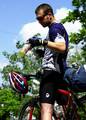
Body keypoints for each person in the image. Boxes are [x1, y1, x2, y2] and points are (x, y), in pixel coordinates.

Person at [20, 3, 69, 120]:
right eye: (37, 19)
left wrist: (42, 42)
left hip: (51, 74)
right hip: (59, 73)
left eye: (40, 18)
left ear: (49, 15)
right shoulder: (56, 28)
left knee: (46, 109)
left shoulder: (55, 28)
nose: (39, 21)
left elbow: (62, 47)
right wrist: (44, 53)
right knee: (62, 111)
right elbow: (58, 50)